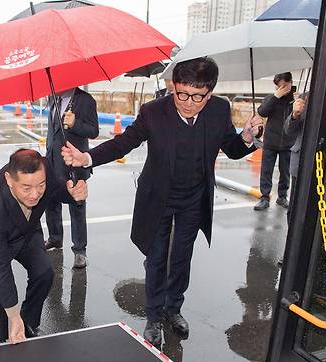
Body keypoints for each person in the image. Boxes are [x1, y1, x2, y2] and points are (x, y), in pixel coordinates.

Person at [62, 57, 263, 345]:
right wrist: (88, 157)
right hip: (158, 196)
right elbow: (125, 141)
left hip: (194, 197)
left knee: (182, 257)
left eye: (198, 97)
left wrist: (246, 136)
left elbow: (230, 148)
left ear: (210, 92)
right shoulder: (154, 111)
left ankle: (174, 309)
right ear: (173, 86)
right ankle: (154, 316)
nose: (188, 102)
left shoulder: (219, 110)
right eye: (182, 93)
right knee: (156, 258)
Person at [0, 149, 88, 345]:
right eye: (26, 188)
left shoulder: (43, 170)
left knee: (44, 272)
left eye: (40, 185)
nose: (35, 194)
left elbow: (56, 189)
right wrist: (12, 314)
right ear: (9, 180)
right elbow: (0, 267)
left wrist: (72, 194)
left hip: (26, 230)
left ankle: (28, 322)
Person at [44, 87, 99, 269]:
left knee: (77, 207)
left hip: (74, 163)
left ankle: (79, 251)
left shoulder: (86, 100)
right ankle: (55, 238)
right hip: (52, 162)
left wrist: (75, 123)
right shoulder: (53, 98)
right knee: (51, 203)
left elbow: (94, 131)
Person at [254, 72, 297, 211]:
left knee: (285, 172)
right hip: (270, 141)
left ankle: (282, 196)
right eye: (279, 86)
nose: (282, 89)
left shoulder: (297, 100)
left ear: (291, 83)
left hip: (289, 142)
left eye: (285, 85)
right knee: (266, 170)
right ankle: (264, 197)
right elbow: (262, 112)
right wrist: (276, 96)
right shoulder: (272, 98)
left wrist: (297, 104)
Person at [283, 93, 308, 223]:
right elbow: (289, 130)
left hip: (324, 161)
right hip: (300, 162)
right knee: (294, 208)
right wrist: (294, 115)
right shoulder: (305, 98)